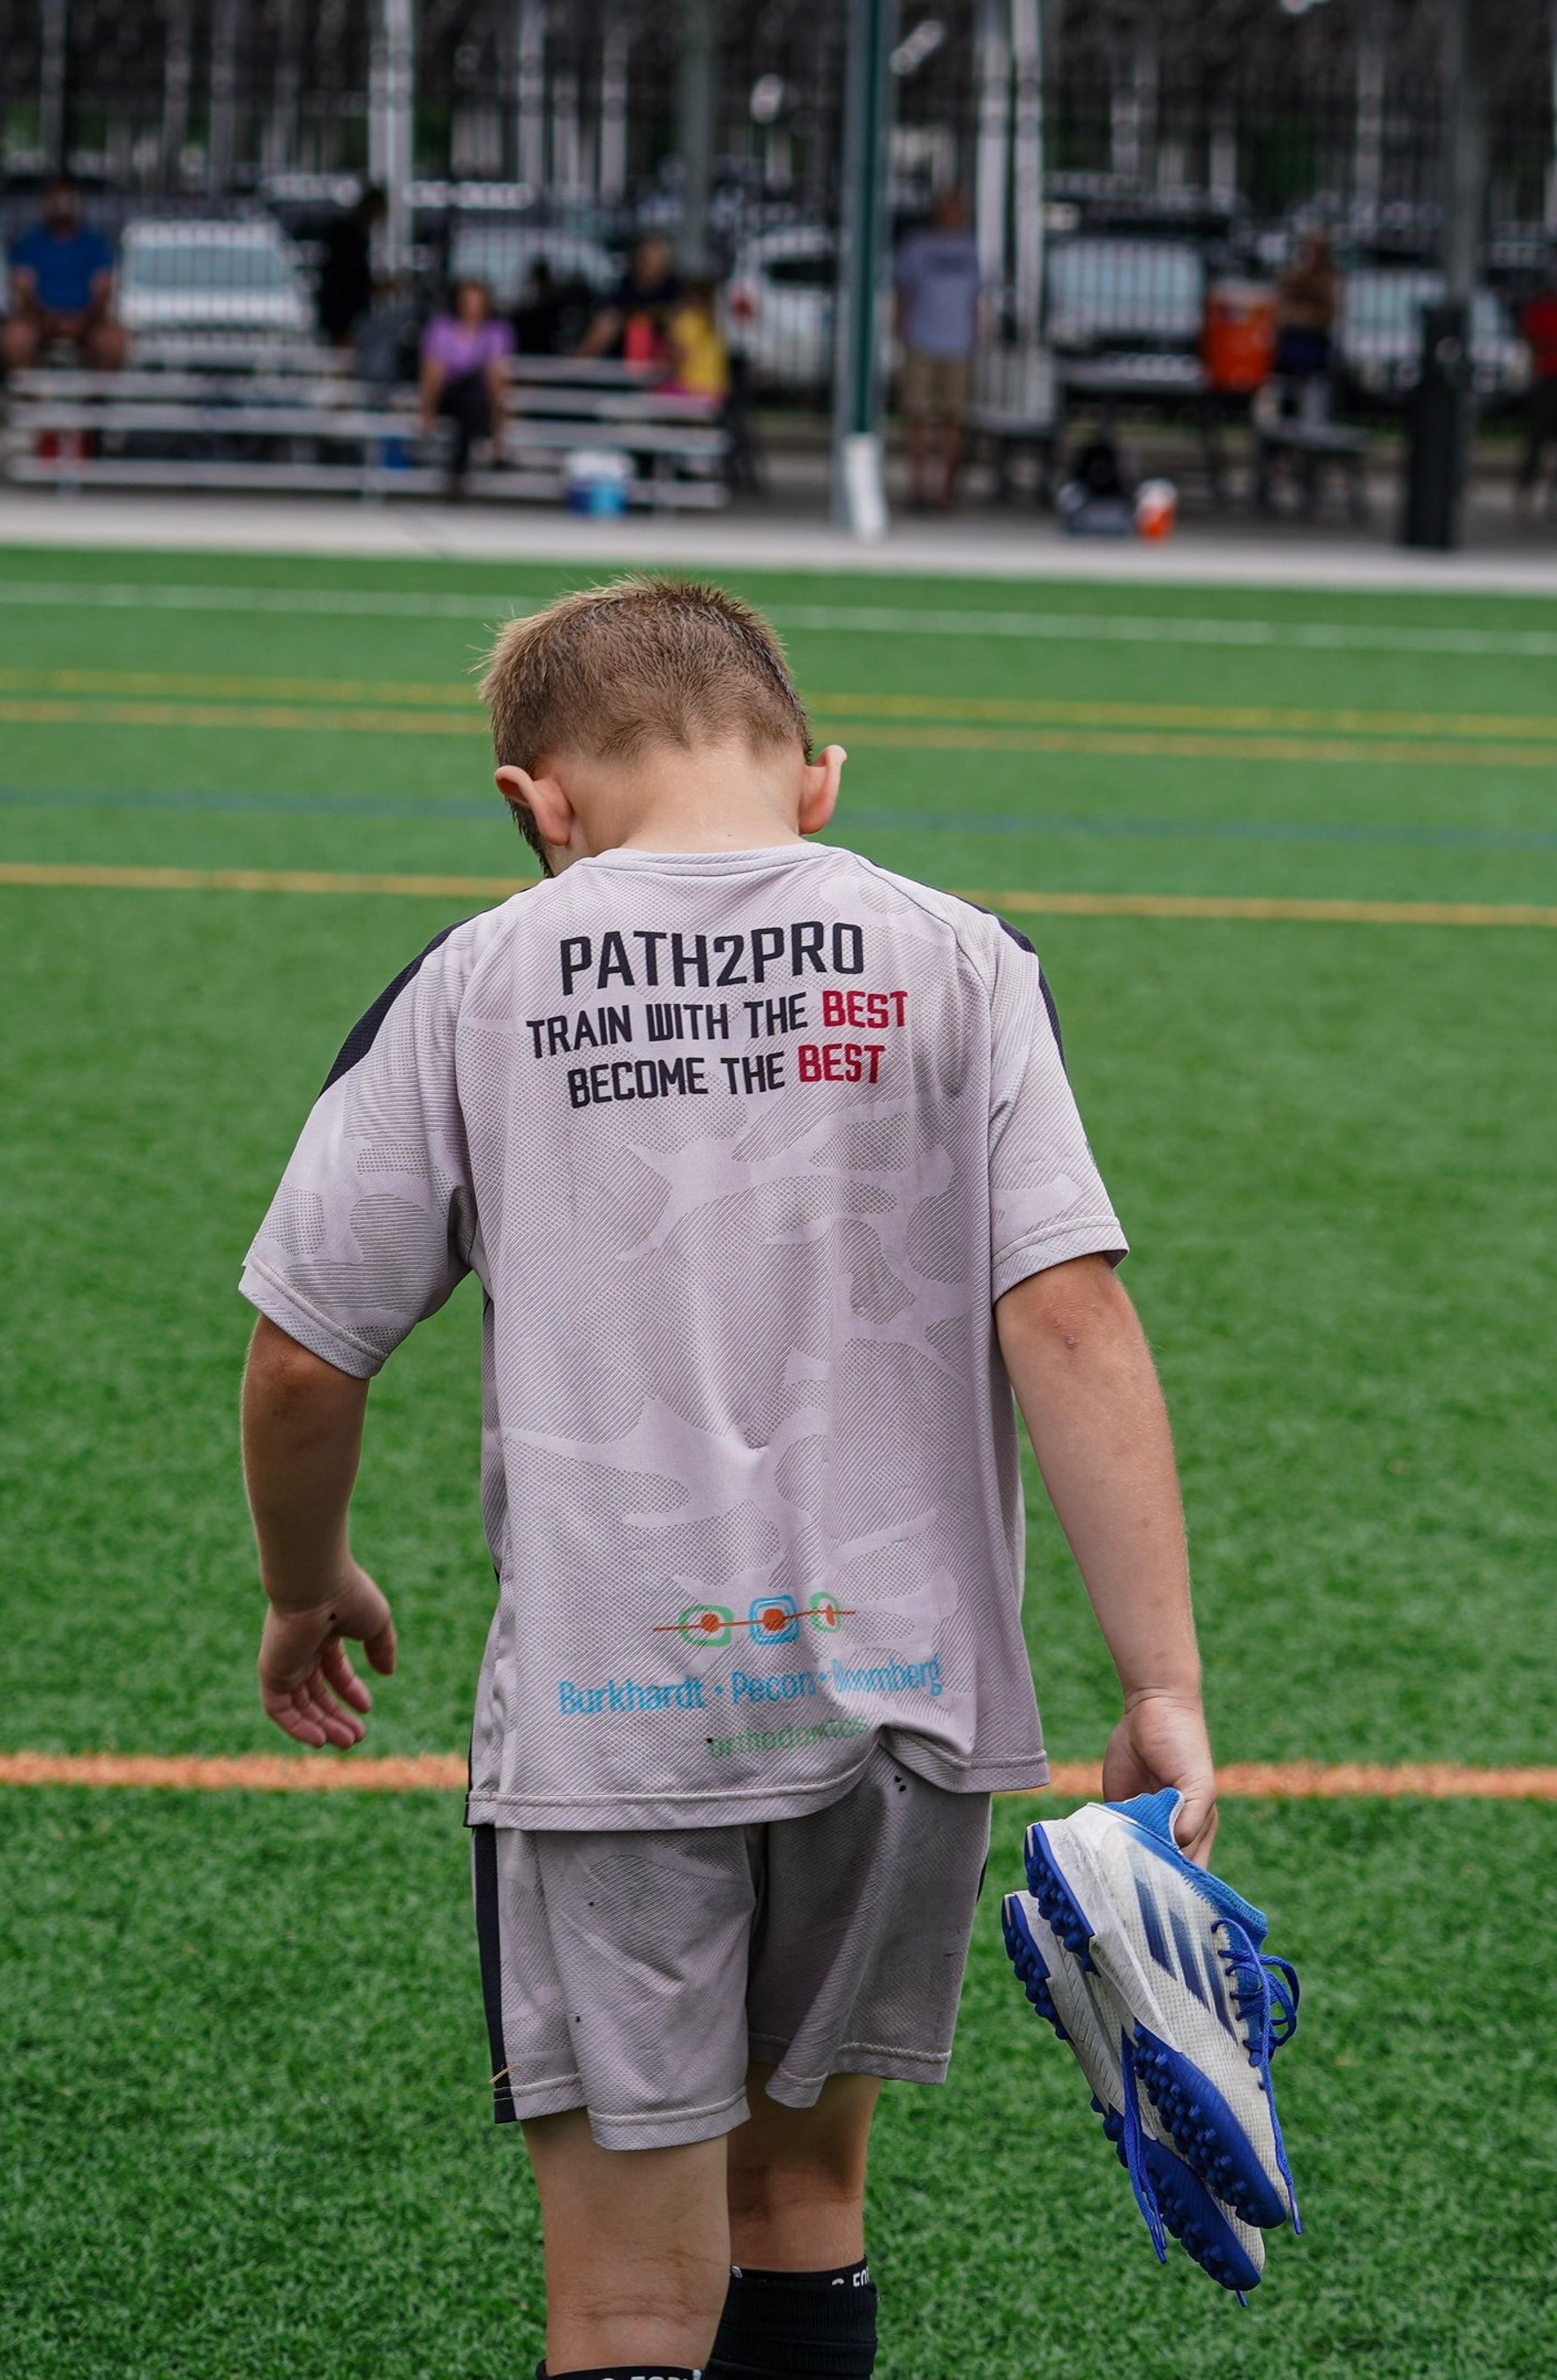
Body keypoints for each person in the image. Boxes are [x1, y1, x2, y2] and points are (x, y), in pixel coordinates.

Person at [240, 575, 1218, 2380]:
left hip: (616, 1711)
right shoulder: (966, 958)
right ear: (818, 776)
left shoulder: (477, 976)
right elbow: (1070, 1311)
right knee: (803, 2193)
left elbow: (306, 1355)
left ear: (534, 801)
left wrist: (309, 1580)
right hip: (901, 1695)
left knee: (626, 2300)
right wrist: (1160, 1677)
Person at [893, 189, 981, 510]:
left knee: (954, 418)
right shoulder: (917, 246)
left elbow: (976, 299)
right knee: (916, 415)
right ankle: (918, 486)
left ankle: (945, 488)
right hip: (921, 341)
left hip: (958, 345)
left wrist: (976, 335)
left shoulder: (970, 249)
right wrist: (900, 329)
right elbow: (902, 292)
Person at [0, 179, 124, 371]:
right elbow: (22, 287)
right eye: (57, 201)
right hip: (39, 319)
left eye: (68, 201)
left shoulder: (95, 243)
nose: (62, 207)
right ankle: (25, 387)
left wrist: (84, 319)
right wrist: (46, 318)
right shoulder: (30, 244)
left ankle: (102, 388)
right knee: (14, 337)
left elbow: (103, 288)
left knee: (112, 340)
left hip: (87, 320)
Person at [418, 277, 513, 494]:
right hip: (449, 396)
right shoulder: (442, 329)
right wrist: (427, 410)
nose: (473, 309)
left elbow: (497, 379)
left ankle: (458, 474)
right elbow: (433, 373)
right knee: (465, 405)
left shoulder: (496, 332)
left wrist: (499, 424)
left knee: (472, 405)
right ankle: (462, 472)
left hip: (479, 401)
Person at [580, 235, 681, 363]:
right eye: (647, 260)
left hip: (662, 351)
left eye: (659, 261)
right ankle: (579, 365)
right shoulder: (624, 288)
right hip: (624, 348)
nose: (653, 266)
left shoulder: (675, 291)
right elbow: (611, 313)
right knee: (607, 325)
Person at [1273, 231, 1338, 423]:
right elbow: (1281, 307)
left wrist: (1300, 315)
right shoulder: (1293, 275)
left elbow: (1327, 314)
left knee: (1313, 389)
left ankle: (1312, 425)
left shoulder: (1327, 279)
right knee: (1286, 386)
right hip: (1291, 341)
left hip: (1312, 342)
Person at [316, 182, 387, 350]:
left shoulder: (351, 237)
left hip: (345, 315)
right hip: (343, 317)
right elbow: (348, 282)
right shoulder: (348, 239)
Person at [1516, 265, 1557, 513]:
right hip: (1547, 379)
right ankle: (1526, 491)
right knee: (1537, 439)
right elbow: (1534, 341)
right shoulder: (1541, 308)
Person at [662, 276, 730, 401]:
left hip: (690, 387)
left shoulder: (685, 321)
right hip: (717, 390)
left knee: (654, 397)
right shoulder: (720, 322)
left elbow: (680, 356)